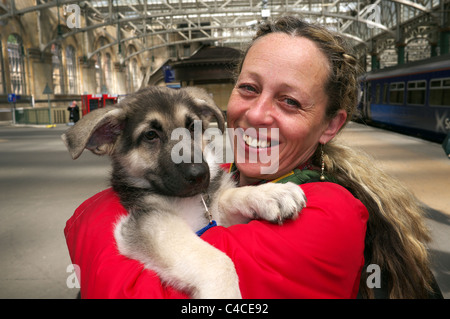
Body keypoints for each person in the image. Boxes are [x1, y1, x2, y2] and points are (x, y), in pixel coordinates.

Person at [64, 16, 440, 298]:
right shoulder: (227, 174)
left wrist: (96, 219)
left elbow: (126, 289)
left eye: (289, 101)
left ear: (331, 125)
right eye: (249, 88)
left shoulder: (330, 214)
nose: (258, 114)